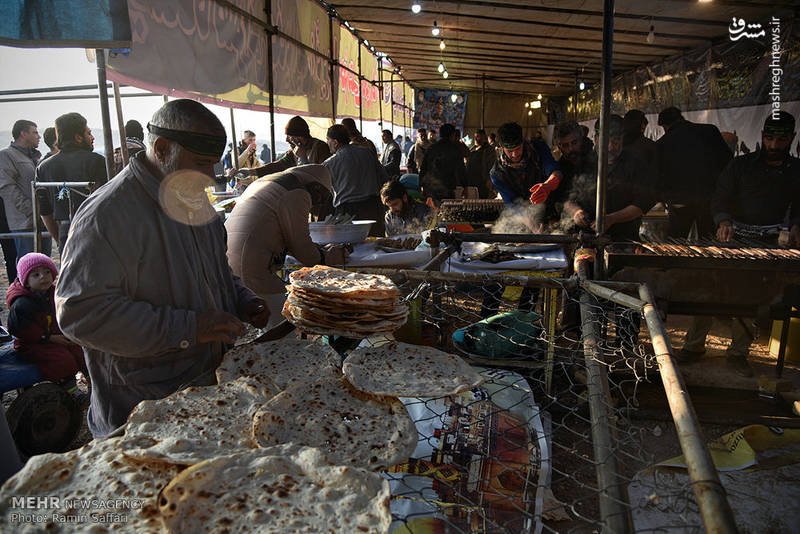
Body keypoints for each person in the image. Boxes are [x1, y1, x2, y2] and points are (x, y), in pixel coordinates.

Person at [54, 98, 269, 438]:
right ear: (162, 147)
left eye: (213, 164)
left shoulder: (193, 200)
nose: (211, 176)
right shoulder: (109, 215)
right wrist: (189, 327)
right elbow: (82, 314)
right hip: (141, 409)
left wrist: (242, 299)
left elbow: (216, 272)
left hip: (205, 394)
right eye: (201, 163)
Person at [678, 111, 800, 377]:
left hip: (769, 243)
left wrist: (795, 225)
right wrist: (723, 221)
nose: (774, 146)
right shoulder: (740, 165)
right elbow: (720, 197)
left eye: (780, 141)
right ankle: (694, 345)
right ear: (762, 137)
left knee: (750, 297)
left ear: (791, 139)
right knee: (709, 290)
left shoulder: (796, 171)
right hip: (733, 237)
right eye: (769, 139)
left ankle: (738, 352)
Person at [226, 165, 349, 329]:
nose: (318, 203)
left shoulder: (267, 182)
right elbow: (302, 249)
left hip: (229, 266)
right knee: (281, 331)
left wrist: (320, 249)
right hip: (252, 269)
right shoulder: (297, 192)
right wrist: (331, 256)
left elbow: (285, 236)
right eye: (322, 197)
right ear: (316, 187)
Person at [562, 115, 654, 241]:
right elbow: (567, 199)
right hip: (587, 239)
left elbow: (642, 203)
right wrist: (576, 212)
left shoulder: (636, 164)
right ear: (595, 139)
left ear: (622, 139)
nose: (610, 147)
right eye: (605, 141)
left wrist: (612, 218)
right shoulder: (582, 163)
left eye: (615, 142)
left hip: (625, 240)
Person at [6, 253, 86, 383]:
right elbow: (21, 330)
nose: (43, 277)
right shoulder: (22, 303)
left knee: (80, 349)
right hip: (32, 344)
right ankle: (68, 388)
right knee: (63, 359)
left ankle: (92, 381)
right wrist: (48, 337)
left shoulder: (53, 293)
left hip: (55, 336)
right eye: (36, 274)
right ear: (25, 280)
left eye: (47, 272)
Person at [655, 106, 732, 238]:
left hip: (679, 202)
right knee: (708, 244)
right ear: (681, 118)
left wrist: (664, 197)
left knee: (677, 246)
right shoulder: (710, 131)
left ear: (664, 126)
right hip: (709, 201)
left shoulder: (662, 143)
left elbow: (658, 175)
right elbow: (728, 162)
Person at [36, 112, 108, 247]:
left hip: (64, 232)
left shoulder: (44, 167)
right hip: (95, 230)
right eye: (89, 133)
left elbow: (45, 211)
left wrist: (59, 239)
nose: (92, 137)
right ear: (78, 138)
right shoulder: (97, 162)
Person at [490, 121, 561, 231]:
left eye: (518, 148)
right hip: (524, 220)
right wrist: (533, 226)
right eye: (510, 151)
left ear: (523, 141)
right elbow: (513, 205)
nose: (515, 154)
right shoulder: (497, 174)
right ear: (501, 147)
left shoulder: (538, 148)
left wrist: (548, 186)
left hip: (552, 212)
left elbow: (555, 171)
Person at [0, 119, 52, 258]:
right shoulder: (6, 155)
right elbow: (7, 188)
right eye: (35, 132)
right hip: (24, 223)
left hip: (41, 220)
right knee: (28, 267)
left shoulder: (32, 156)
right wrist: (32, 210)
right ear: (23, 134)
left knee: (43, 262)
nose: (39, 136)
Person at [323, 124, 387, 236]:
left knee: (350, 249)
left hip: (347, 213)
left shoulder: (330, 164)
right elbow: (383, 177)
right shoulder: (367, 153)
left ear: (335, 142)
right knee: (376, 246)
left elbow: (322, 189)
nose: (327, 144)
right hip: (372, 208)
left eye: (328, 140)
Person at [237, 116, 331, 181]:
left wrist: (302, 158)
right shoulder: (294, 152)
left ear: (299, 136)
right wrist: (250, 172)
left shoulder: (319, 148)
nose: (287, 140)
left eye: (289, 136)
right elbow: (278, 165)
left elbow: (322, 177)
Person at [420, 123, 467, 201]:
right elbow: (461, 170)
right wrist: (465, 187)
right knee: (447, 211)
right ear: (452, 135)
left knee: (433, 212)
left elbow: (423, 168)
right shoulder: (455, 150)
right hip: (447, 190)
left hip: (431, 189)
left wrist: (422, 186)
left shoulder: (431, 148)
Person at [465, 129, 496, 198]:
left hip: (483, 181)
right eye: (475, 137)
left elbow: (492, 165)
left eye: (478, 137)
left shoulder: (489, 150)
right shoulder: (472, 149)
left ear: (484, 137)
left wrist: (489, 179)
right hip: (471, 181)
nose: (475, 139)